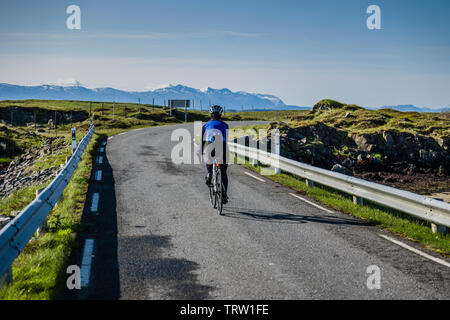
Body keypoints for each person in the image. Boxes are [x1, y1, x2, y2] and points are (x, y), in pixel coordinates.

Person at [201, 105, 229, 204]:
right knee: (224, 173)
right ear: (220, 115)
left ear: (210, 114)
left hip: (210, 147)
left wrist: (201, 151)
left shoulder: (205, 125)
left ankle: (209, 174)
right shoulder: (225, 125)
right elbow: (226, 138)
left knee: (208, 159)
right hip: (222, 147)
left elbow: (202, 141)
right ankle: (224, 195)